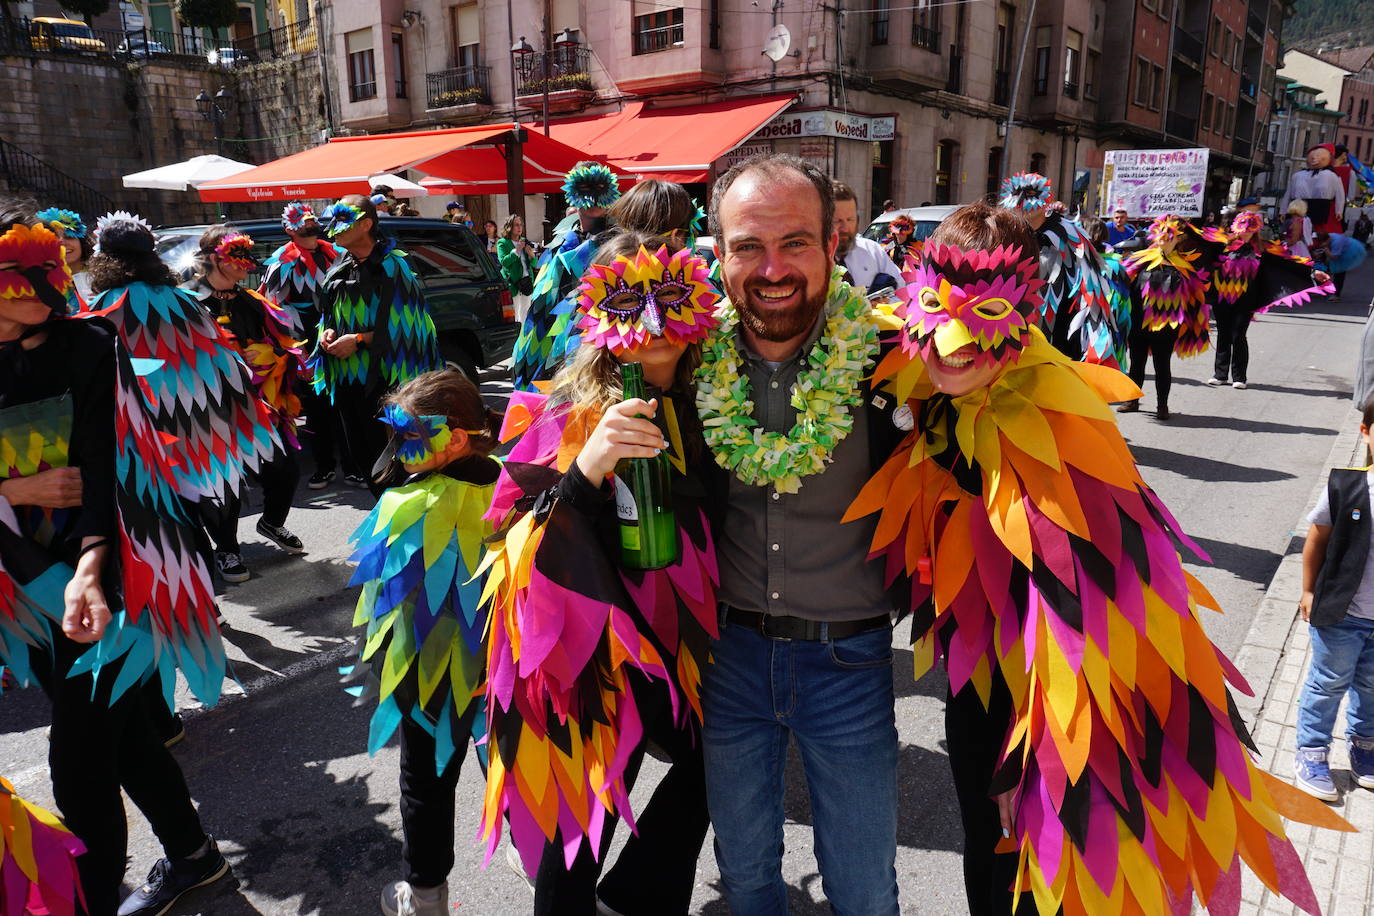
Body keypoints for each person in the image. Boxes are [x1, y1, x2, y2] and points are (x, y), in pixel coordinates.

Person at [848, 199, 1340, 916]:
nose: (951, 338)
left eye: (982, 312)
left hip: (1052, 705)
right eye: (936, 305)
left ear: (1026, 310)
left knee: (1032, 864)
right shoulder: (929, 384)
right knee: (984, 848)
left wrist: (1042, 750)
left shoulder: (1058, 415)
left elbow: (1089, 610)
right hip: (971, 676)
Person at [0, 206, 231, 916]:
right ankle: (194, 855)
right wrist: (13, 487)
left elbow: (109, 471)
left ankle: (94, 900)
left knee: (78, 764)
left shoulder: (92, 346)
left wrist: (90, 567)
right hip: (19, 580)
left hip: (94, 581)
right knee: (125, 729)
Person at [481, 234, 721, 915]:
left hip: (688, 645)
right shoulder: (560, 413)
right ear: (600, 323)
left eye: (668, 302)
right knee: (580, 825)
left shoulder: (719, 407)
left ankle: (643, 889)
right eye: (629, 306)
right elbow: (512, 544)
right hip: (594, 655)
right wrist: (587, 470)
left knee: (720, 760)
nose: (649, 326)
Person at [698, 153, 907, 914]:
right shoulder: (683, 363)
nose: (772, 267)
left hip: (848, 660)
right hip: (729, 658)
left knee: (861, 889)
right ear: (717, 253)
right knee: (747, 880)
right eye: (748, 246)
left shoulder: (895, 366)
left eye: (795, 243)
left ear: (834, 245)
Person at [344, 369, 502, 916]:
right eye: (396, 433)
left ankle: (427, 896)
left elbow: (387, 607)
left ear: (456, 437)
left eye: (412, 435)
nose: (399, 448)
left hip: (430, 673)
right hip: (504, 668)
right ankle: (536, 866)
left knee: (426, 778)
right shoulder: (512, 483)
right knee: (503, 760)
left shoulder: (404, 506)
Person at [182, 226, 307, 582]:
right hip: (207, 407)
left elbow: (286, 346)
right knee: (224, 482)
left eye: (246, 256)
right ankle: (226, 550)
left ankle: (271, 523)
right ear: (212, 258)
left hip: (257, 407)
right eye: (236, 256)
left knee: (285, 468)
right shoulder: (187, 303)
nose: (245, 265)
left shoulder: (253, 301)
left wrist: (274, 356)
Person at [312, 195, 442, 497]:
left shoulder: (393, 267)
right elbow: (329, 314)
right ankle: (386, 519)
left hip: (385, 378)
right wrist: (326, 333)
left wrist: (358, 340)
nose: (334, 228)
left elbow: (413, 332)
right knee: (362, 456)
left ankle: (401, 524)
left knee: (391, 459)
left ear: (367, 224)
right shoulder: (340, 265)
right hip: (346, 379)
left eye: (344, 220)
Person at [1294, 406, 1374, 800]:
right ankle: (1311, 751)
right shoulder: (1346, 487)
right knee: (1327, 685)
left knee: (1372, 686)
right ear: (1365, 432)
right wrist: (1308, 591)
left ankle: (1363, 746)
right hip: (1342, 614)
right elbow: (1316, 540)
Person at [259, 203, 356, 490]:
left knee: (347, 403)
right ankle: (325, 467)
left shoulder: (338, 253)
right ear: (289, 229)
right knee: (317, 407)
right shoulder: (282, 261)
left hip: (342, 335)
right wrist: (295, 347)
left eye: (311, 216)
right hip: (306, 340)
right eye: (302, 219)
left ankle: (354, 468)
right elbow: (272, 306)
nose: (310, 220)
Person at [511, 161, 622, 389]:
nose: (592, 198)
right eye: (584, 188)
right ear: (571, 193)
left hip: (593, 350)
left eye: (600, 189)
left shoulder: (619, 244)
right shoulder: (560, 242)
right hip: (547, 348)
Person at [998, 172, 1123, 368]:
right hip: (1016, 323)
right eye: (1017, 193)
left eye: (1030, 193)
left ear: (1046, 198)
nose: (1022, 200)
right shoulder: (1007, 233)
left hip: (1061, 327)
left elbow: (1090, 287)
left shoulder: (1068, 233)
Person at [1203, 211, 1332, 390]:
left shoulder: (1262, 250)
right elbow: (1200, 249)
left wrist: (1312, 273)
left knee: (1238, 334)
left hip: (1247, 299)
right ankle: (1220, 374)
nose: (1246, 232)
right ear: (1236, 228)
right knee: (1224, 333)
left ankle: (1239, 376)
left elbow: (1286, 264)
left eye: (1250, 228)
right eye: (1243, 228)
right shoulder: (1223, 246)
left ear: (1255, 230)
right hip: (1222, 297)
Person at [1118, 214, 1216, 419]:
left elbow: (1194, 297)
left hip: (1167, 325)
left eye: (1168, 235)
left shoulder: (1186, 266)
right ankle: (1132, 400)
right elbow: (1122, 283)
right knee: (1136, 363)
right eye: (1159, 234)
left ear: (1178, 238)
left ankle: (1162, 405)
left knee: (1162, 365)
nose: (1162, 238)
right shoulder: (1141, 259)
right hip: (1139, 320)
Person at [833, 180, 902, 291]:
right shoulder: (810, 259)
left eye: (850, 219)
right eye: (837, 221)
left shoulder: (872, 250)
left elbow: (902, 288)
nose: (845, 228)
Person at [1282, 143, 1347, 237]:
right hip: (1298, 206)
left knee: (1315, 231)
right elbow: (1288, 193)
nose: (1314, 158)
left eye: (1318, 155)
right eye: (1312, 155)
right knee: (1296, 230)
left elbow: (1340, 194)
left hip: (1320, 207)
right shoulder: (1298, 175)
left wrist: (1339, 210)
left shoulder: (1331, 175)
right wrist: (1283, 211)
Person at [36, 206, 92, 306]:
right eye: (54, 238)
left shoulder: (103, 277)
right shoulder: (39, 285)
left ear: (82, 243)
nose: (62, 243)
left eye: (69, 237)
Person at [495, 213, 535, 322]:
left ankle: (525, 338)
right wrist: (516, 251)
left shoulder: (524, 240)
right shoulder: (503, 243)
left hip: (526, 282)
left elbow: (534, 264)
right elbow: (504, 261)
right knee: (515, 316)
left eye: (521, 225)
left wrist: (531, 255)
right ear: (509, 227)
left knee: (526, 315)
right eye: (516, 225)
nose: (519, 227)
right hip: (513, 284)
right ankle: (517, 338)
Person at [1311, 229, 1365, 302]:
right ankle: (1321, 289)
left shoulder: (1337, 242)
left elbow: (1334, 256)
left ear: (1325, 242)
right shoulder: (1325, 236)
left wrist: (1326, 249)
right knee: (1320, 268)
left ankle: (1336, 295)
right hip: (1332, 249)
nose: (1319, 245)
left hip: (1346, 253)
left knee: (1339, 273)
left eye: (1321, 243)